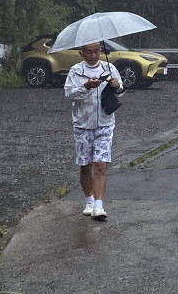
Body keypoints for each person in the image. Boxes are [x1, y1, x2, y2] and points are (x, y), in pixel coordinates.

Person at [64, 42, 124, 221]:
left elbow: (121, 92)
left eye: (97, 51)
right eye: (89, 52)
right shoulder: (75, 71)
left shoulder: (109, 67)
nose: (93, 55)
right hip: (82, 124)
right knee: (85, 164)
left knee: (101, 163)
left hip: (105, 122)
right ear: (82, 53)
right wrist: (86, 87)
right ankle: (89, 200)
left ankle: (99, 205)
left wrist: (116, 86)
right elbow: (69, 94)